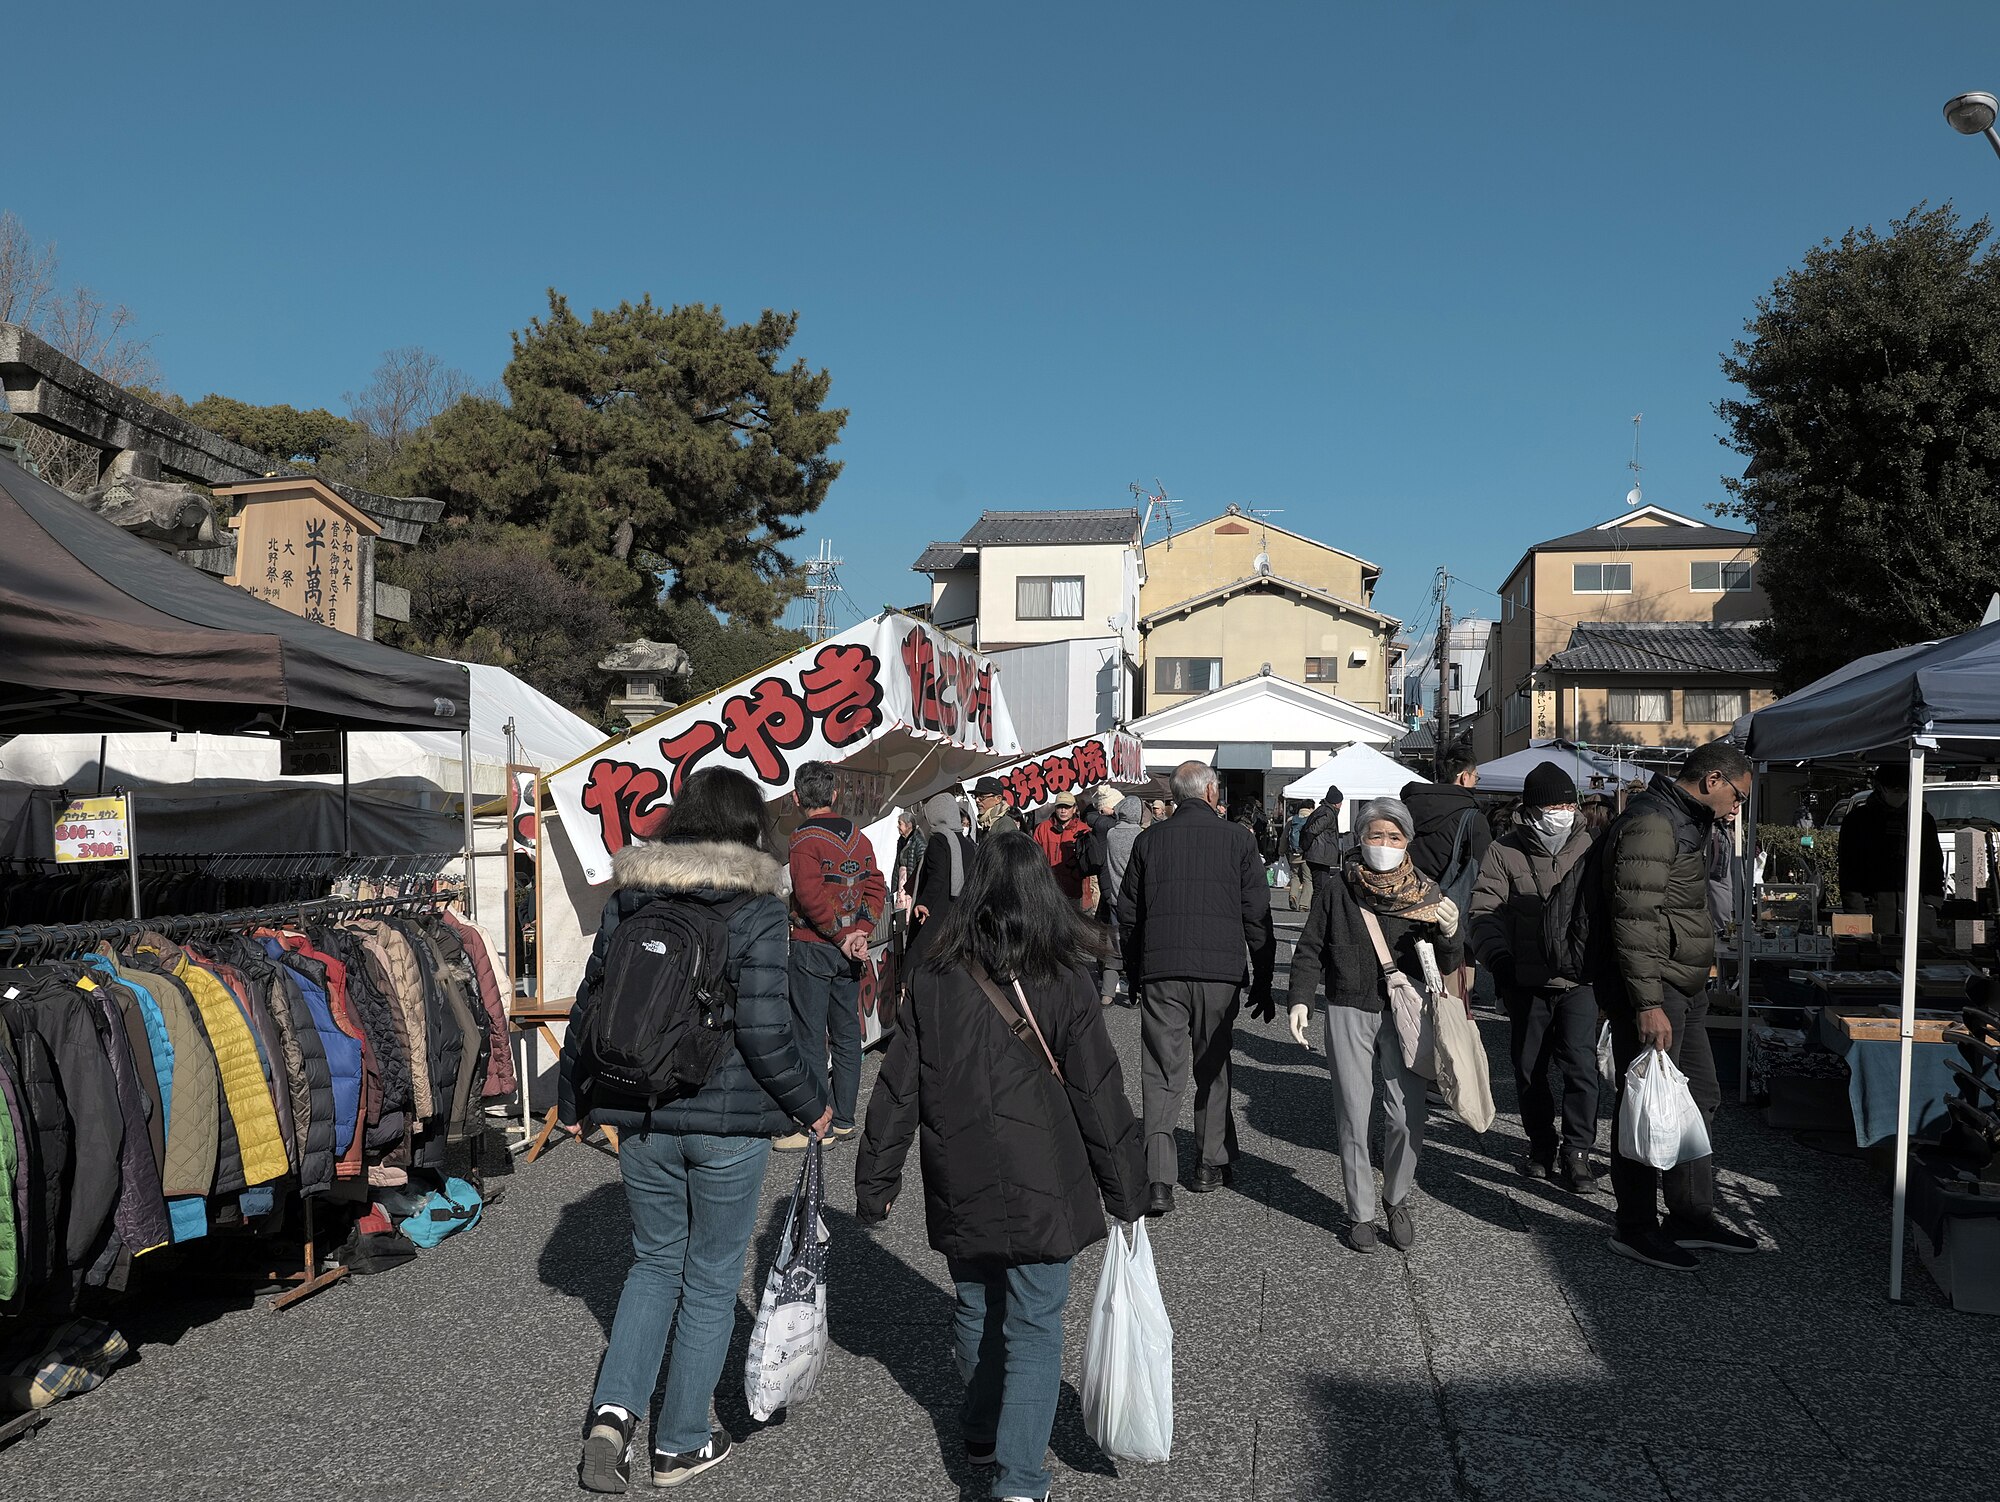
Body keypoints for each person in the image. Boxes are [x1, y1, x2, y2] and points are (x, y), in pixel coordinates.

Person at [561, 767, 832, 1494]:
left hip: (640, 1109)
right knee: (710, 1280)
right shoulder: (759, 909)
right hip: (728, 1124)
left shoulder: (632, 896)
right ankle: (679, 1443)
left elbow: (592, 1005)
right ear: (750, 829)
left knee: (653, 1266)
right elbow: (769, 1033)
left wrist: (572, 1096)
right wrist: (813, 1104)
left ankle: (612, 1418)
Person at [856, 834, 1147, 1502]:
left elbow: (898, 1089)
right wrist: (1126, 1190)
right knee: (1036, 1326)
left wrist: (876, 1183)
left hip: (960, 1170)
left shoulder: (933, 977)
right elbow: (1098, 1093)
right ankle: (1019, 1481)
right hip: (1046, 1178)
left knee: (977, 1303)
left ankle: (981, 1431)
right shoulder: (1065, 977)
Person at [1598, 740, 1762, 1270]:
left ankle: (1690, 1215)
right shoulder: (1654, 823)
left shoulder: (1687, 821)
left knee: (1700, 1097)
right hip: (1656, 989)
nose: (1737, 808)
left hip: (1683, 986)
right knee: (1647, 1104)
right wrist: (1647, 1003)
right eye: (1738, 796)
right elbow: (1634, 921)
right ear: (1713, 780)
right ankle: (1635, 1226)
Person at [1285, 797, 1461, 1253]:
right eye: (1375, 835)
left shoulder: (1426, 892)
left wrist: (1450, 934)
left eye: (1394, 836)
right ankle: (1360, 1211)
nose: (1384, 844)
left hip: (1406, 1011)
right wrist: (1301, 999)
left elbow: (1445, 964)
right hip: (1347, 1006)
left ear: (1408, 842)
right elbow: (1309, 948)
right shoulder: (1338, 889)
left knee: (1407, 1115)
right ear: (1360, 838)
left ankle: (1396, 1197)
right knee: (1353, 1111)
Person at [1118, 761, 1275, 1215]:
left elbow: (1128, 915)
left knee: (1161, 1073)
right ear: (1210, 792)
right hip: (1220, 974)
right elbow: (1257, 916)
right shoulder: (1240, 840)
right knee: (1213, 1065)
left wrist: (1134, 971)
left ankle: (1159, 1179)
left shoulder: (1150, 840)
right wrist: (1263, 980)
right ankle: (1208, 1164)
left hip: (1161, 972)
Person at [1469, 764, 1599, 1191]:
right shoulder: (1504, 852)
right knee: (1529, 1070)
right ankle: (1541, 1144)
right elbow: (1484, 912)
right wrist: (1499, 962)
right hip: (1525, 978)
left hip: (1580, 981)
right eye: (1552, 805)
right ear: (1532, 808)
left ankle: (1577, 1151)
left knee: (1581, 1067)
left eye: (1567, 803)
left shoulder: (1591, 848)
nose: (1561, 811)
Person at [780, 760, 887, 1151]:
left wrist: (842, 936)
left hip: (813, 945)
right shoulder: (859, 837)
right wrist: (861, 931)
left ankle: (814, 1122)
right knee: (845, 1035)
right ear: (835, 795)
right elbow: (876, 886)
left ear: (796, 797)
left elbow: (808, 897)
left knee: (809, 1035)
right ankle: (843, 1118)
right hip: (850, 951)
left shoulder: (803, 840)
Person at [1837, 763, 1945, 918]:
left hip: (1917, 910)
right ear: (1881, 788)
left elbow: (1934, 863)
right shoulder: (1857, 821)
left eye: (1906, 790)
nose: (1901, 794)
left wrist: (1932, 903)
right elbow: (1848, 870)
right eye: (1895, 790)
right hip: (1875, 909)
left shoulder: (1922, 820)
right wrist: (1856, 912)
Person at [908, 789, 975, 967]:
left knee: (919, 961)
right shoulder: (968, 844)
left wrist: (924, 903)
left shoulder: (938, 841)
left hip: (937, 913)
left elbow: (936, 877)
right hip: (961, 914)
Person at [1097, 793, 1144, 1006]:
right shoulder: (1143, 836)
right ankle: (1139, 991)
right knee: (1139, 945)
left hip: (1115, 898)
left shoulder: (1111, 834)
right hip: (1138, 900)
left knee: (1114, 946)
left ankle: (1107, 994)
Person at [1031, 790, 1093, 910]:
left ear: (1074, 809)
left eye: (1067, 807)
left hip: (1074, 890)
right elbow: (1034, 858)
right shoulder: (1042, 828)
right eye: (1060, 807)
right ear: (1055, 808)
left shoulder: (1084, 830)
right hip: (1049, 890)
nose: (1063, 811)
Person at [1297, 787, 1348, 905]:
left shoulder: (1322, 810)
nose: (1341, 805)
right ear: (1336, 803)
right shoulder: (1328, 813)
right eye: (1340, 802)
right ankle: (1316, 919)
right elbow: (1313, 830)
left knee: (1320, 887)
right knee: (1321, 889)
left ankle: (1318, 918)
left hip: (1318, 855)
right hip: (1319, 856)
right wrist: (1306, 846)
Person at [893, 807, 927, 910]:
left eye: (900, 823)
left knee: (908, 908)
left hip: (910, 881)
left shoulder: (918, 841)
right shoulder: (902, 841)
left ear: (908, 825)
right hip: (902, 880)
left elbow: (922, 863)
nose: (898, 826)